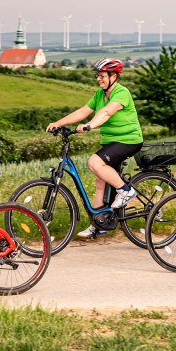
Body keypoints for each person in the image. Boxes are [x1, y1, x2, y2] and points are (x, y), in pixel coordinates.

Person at [46, 58, 144, 238]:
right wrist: (58, 123)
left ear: (114, 76)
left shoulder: (122, 93)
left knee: (94, 162)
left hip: (128, 140)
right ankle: (99, 223)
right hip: (111, 142)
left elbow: (106, 112)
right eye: (97, 76)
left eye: (102, 76)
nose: (99, 79)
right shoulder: (100, 94)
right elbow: (83, 111)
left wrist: (89, 126)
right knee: (100, 181)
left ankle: (126, 190)